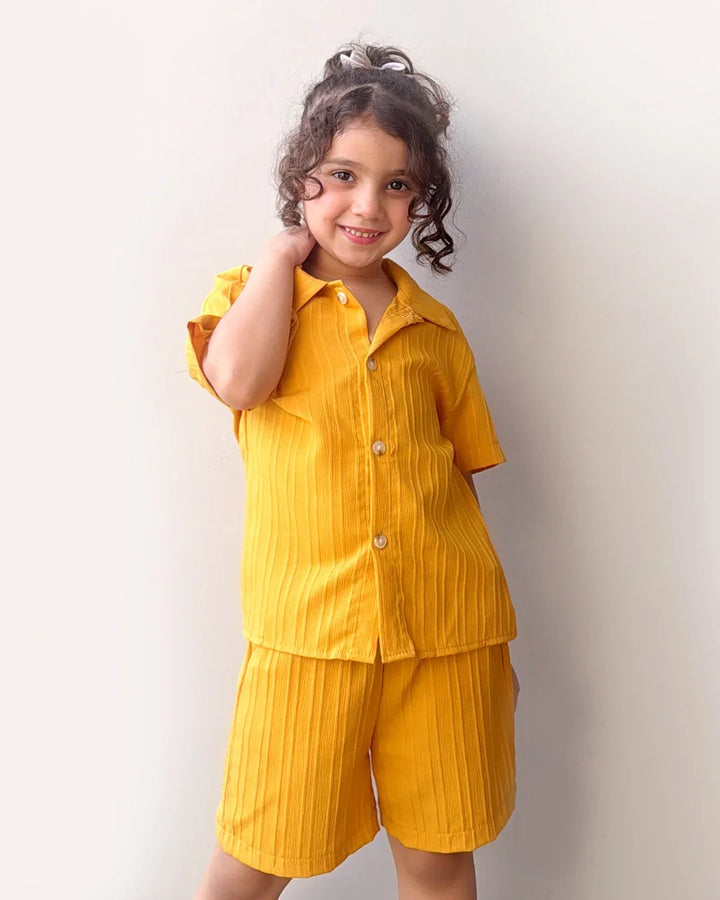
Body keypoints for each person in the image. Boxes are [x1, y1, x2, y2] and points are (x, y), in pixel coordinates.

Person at [186, 41, 520, 900]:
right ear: (301, 178)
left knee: (440, 859)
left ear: (422, 199)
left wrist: (494, 645)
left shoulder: (435, 330)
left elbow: (460, 487)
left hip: (447, 637)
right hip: (309, 640)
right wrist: (274, 260)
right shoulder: (255, 299)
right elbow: (237, 381)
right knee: (256, 858)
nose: (367, 205)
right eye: (341, 175)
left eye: (397, 184)